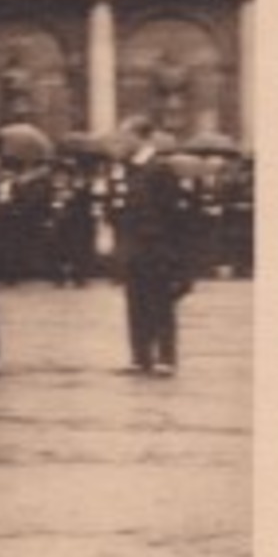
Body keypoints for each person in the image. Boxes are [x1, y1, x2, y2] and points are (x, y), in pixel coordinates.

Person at [115, 118, 193, 376]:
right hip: (134, 246)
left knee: (159, 302)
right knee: (135, 302)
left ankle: (165, 358)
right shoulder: (130, 169)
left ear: (140, 137)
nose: (121, 142)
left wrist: (174, 254)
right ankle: (140, 356)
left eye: (124, 137)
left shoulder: (160, 169)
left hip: (157, 247)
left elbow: (174, 214)